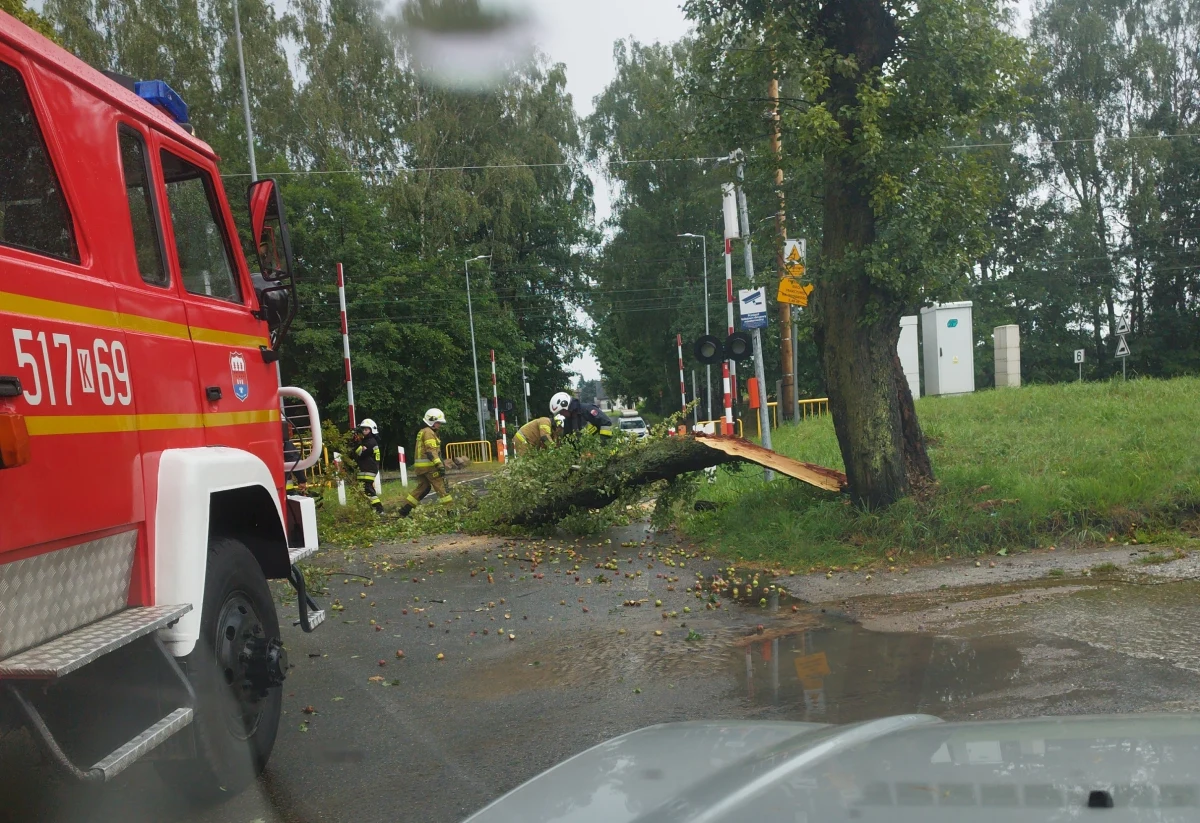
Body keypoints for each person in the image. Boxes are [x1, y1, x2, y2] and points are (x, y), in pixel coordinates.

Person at [399, 408, 454, 518]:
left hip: (421, 468)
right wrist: (439, 465)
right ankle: (451, 512)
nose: (439, 425)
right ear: (432, 421)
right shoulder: (429, 433)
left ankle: (404, 510)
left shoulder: (422, 431)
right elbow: (431, 451)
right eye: (438, 422)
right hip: (430, 467)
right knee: (442, 488)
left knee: (423, 488)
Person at [352, 418, 383, 514]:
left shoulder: (371, 442)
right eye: (363, 429)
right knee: (366, 489)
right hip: (367, 468)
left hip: (369, 468)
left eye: (366, 429)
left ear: (371, 430)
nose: (364, 431)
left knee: (367, 488)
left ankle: (379, 509)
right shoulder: (366, 441)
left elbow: (361, 453)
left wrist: (356, 444)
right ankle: (373, 509)